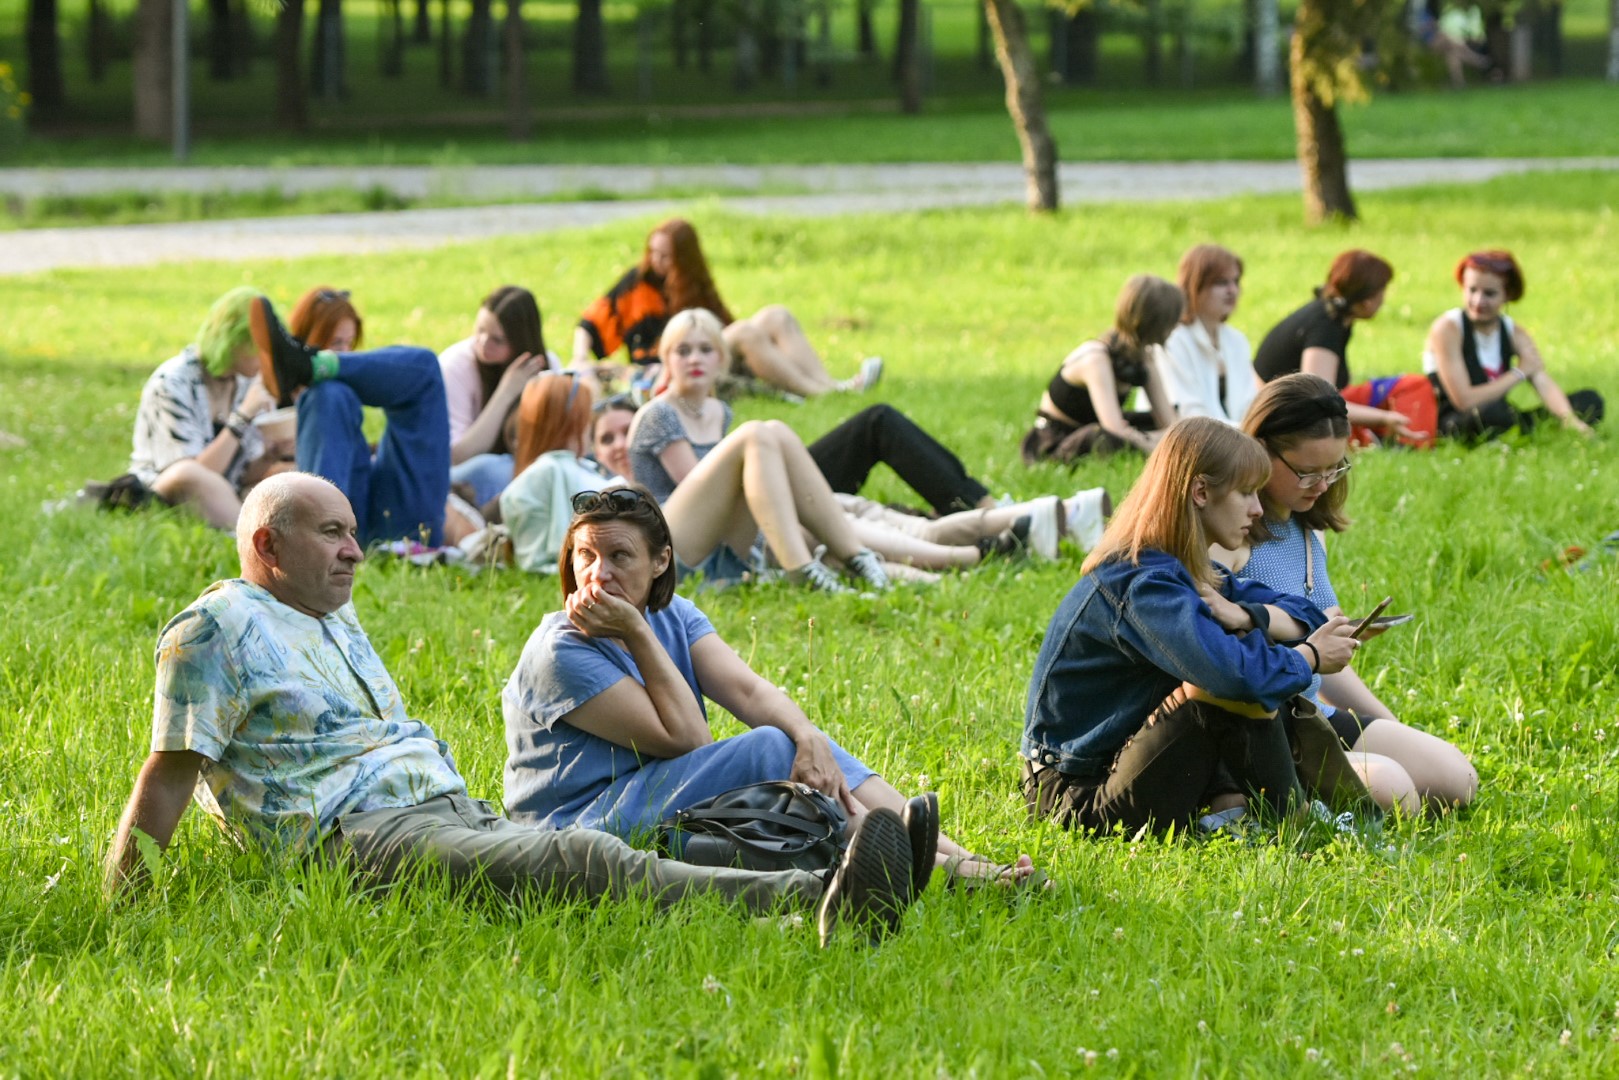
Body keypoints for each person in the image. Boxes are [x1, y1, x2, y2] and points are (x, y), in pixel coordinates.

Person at [101, 472, 926, 947]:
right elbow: (167, 774)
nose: (355, 550)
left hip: (442, 806)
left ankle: (891, 869)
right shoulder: (215, 629)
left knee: (584, 856)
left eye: (352, 531)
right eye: (331, 533)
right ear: (267, 545)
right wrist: (119, 914)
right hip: (350, 837)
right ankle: (815, 899)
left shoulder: (327, 612)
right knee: (583, 860)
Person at [502, 485, 1041, 889]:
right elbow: (688, 740)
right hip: (572, 827)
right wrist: (637, 633)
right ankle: (941, 868)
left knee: (795, 741)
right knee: (768, 747)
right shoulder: (561, 652)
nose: (598, 574)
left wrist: (809, 737)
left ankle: (958, 857)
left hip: (650, 799)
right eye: (586, 556)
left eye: (619, 556)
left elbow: (751, 693)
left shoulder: (673, 615)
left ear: (660, 560)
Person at [1020, 417, 1362, 835]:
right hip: (1074, 797)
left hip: (1123, 764)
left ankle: (1249, 810)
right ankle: (1297, 820)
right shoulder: (1144, 584)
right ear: (1200, 492)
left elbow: (1308, 613)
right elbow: (1236, 677)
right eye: (1246, 492)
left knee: (1242, 652)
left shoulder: (1187, 570)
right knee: (1230, 681)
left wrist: (1246, 615)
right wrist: (1308, 657)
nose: (1258, 509)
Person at [632, 310, 1035, 592]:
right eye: (683, 351)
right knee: (757, 435)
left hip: (727, 542)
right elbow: (704, 491)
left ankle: (868, 557)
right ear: (666, 359)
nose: (694, 360)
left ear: (721, 358)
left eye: (704, 350)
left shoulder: (719, 410)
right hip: (670, 545)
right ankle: (803, 567)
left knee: (775, 432)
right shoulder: (659, 414)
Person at [1220, 374, 1479, 813]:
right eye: (1307, 472)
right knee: (1398, 793)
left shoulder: (1308, 527)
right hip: (1264, 726)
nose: (1322, 485)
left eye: (1334, 469)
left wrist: (1390, 725)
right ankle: (1260, 801)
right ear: (1260, 450)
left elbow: (1329, 663)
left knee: (1459, 779)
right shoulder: (1232, 535)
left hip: (1311, 714)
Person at [572, 218, 880, 399]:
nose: (656, 261)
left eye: (665, 256)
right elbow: (590, 322)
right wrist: (580, 357)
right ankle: (817, 393)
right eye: (653, 252)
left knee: (777, 315)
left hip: (711, 352)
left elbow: (721, 322)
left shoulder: (693, 283)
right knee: (744, 332)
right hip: (670, 366)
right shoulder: (638, 283)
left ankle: (832, 385)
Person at [251, 295, 452, 547]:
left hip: (390, 516)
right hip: (332, 521)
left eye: (350, 344)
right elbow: (242, 480)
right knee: (328, 395)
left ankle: (307, 366)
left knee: (424, 367)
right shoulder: (260, 397)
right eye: (336, 344)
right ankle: (322, 545)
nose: (346, 353)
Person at [127, 287, 289, 529]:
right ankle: (248, 538)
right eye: (259, 349)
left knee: (287, 477)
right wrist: (242, 417)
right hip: (166, 491)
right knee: (188, 474)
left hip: (225, 493)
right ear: (233, 341)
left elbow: (238, 474)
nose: (266, 359)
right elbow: (198, 474)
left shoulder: (244, 383)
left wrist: (270, 456)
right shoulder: (172, 382)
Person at [1253, 250, 1431, 446]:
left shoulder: (1334, 316)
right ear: (1367, 301)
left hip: (1303, 407)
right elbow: (1319, 400)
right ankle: (1406, 442)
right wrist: (1382, 418)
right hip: (1282, 416)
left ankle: (1398, 438)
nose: (1383, 299)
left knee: (1413, 385)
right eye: (1382, 291)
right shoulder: (1325, 328)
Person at [1422, 250, 1602, 441]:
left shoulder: (1513, 331)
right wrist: (1518, 373)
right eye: (1472, 290)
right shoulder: (1448, 329)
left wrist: (1569, 419)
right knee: (1493, 413)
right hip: (1458, 420)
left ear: (1507, 295)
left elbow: (1539, 376)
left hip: (1499, 414)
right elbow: (1464, 401)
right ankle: (1520, 430)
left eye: (1489, 294)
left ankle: (1531, 429)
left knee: (1589, 401)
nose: (1478, 301)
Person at [1021, 274, 1181, 464]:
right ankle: (1160, 451)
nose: (1175, 328)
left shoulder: (1143, 356)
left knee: (1178, 426)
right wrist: (1157, 441)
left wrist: (1163, 436)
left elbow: (1171, 423)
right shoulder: (1096, 359)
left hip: (1101, 427)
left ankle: (1159, 448)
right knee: (1102, 438)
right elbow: (1115, 431)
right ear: (1156, 323)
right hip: (1058, 441)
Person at [439, 286, 563, 506]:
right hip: (459, 479)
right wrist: (506, 392)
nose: (483, 342)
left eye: (497, 339)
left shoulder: (544, 365)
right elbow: (456, 456)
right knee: (493, 470)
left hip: (527, 467)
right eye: (480, 330)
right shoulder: (455, 366)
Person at [1161, 244, 1259, 426]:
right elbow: (1189, 413)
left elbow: (1249, 405)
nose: (1232, 290)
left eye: (1236, 281)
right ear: (1194, 285)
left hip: (1235, 436)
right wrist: (1243, 433)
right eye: (1221, 282)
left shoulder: (1236, 341)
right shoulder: (1174, 340)